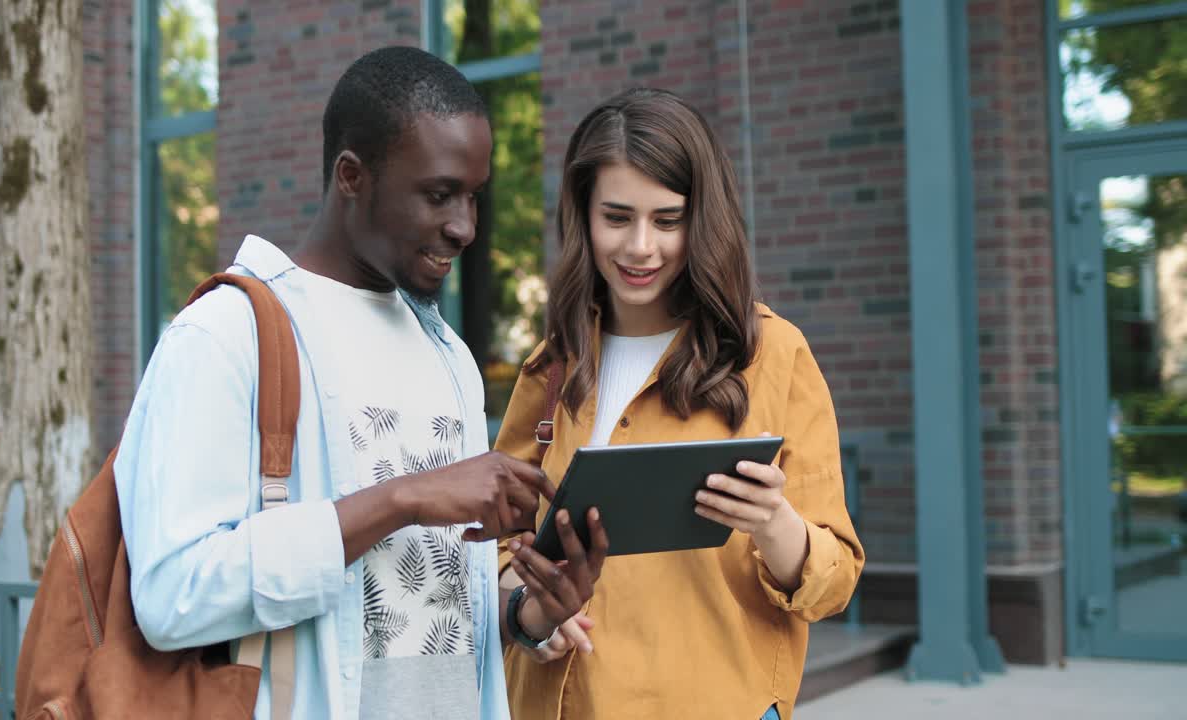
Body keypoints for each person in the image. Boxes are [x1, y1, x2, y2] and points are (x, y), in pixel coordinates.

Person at [113, 46, 602, 720]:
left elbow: (433, 620)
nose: (464, 227)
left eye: (472, 196)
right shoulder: (227, 336)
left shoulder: (450, 356)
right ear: (351, 175)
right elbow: (172, 598)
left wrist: (530, 613)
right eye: (437, 194)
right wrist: (401, 499)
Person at [494, 88, 864, 720]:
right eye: (617, 217)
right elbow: (502, 547)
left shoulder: (772, 354)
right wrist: (532, 619)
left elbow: (834, 583)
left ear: (704, 220)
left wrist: (774, 523)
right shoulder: (552, 365)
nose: (641, 247)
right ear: (582, 215)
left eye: (668, 220)